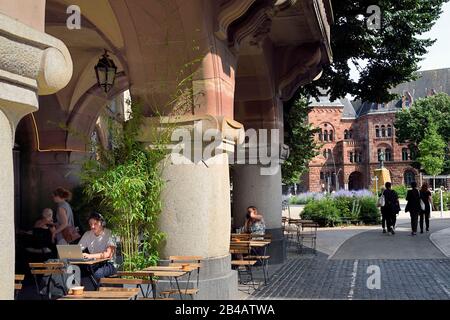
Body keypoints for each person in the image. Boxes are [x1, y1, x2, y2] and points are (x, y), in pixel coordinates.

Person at [78, 212, 117, 280]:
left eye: (95, 224)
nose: (92, 226)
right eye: (90, 224)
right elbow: (78, 249)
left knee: (97, 273)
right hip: (93, 263)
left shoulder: (109, 233)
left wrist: (90, 256)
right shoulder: (87, 234)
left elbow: (108, 254)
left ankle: (100, 289)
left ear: (102, 223)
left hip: (109, 264)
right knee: (78, 271)